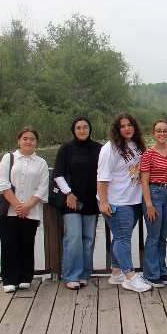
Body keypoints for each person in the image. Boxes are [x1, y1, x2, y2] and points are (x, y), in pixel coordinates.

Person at [98, 112, 150, 292]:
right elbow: (102, 178)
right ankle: (130, 276)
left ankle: (116, 272)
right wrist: (103, 202)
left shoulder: (136, 145)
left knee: (120, 237)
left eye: (130, 125)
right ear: (116, 129)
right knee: (122, 238)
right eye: (122, 126)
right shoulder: (110, 149)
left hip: (134, 200)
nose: (127, 128)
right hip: (117, 202)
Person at [0, 126, 49, 293]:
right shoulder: (8, 158)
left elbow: (42, 188)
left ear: (36, 142)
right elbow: (3, 184)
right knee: (9, 244)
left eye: (32, 139)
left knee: (27, 244)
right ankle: (9, 279)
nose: (28, 141)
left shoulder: (41, 162)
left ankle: (26, 277)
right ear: (18, 140)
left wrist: (28, 206)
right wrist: (18, 205)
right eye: (25, 138)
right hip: (10, 210)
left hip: (31, 211)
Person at [52, 116, 102, 290]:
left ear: (90, 129)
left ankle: (84, 274)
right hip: (71, 201)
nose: (82, 130)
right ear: (73, 129)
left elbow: (104, 173)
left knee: (88, 239)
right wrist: (69, 193)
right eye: (78, 127)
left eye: (85, 127)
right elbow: (57, 174)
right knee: (73, 237)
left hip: (91, 200)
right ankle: (71, 275)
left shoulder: (98, 148)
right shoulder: (66, 149)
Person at [140, 119, 167, 288]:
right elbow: (144, 180)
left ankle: (162, 271)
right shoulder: (148, 154)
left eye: (165, 131)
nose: (162, 134)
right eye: (158, 131)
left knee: (162, 236)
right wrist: (149, 205)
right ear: (153, 133)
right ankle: (151, 274)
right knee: (153, 236)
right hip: (154, 194)